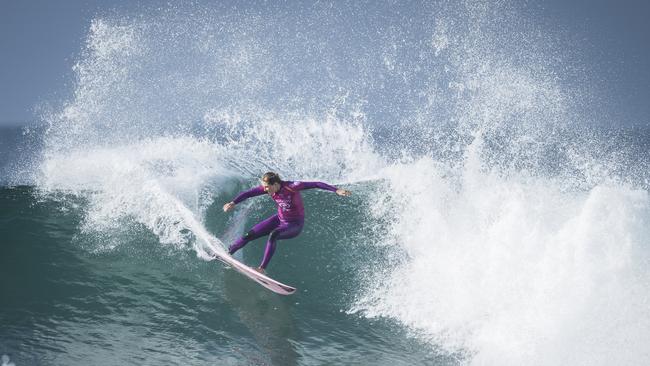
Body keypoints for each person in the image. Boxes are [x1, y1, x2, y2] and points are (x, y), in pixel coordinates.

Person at [222, 172, 351, 274]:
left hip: (294, 225)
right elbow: (248, 193)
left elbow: (316, 184)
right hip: (279, 218)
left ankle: (261, 268)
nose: (265, 189)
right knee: (248, 235)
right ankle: (228, 253)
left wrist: (336, 190)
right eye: (264, 186)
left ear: (276, 184)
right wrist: (233, 203)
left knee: (274, 235)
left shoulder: (292, 186)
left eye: (267, 186)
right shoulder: (269, 189)